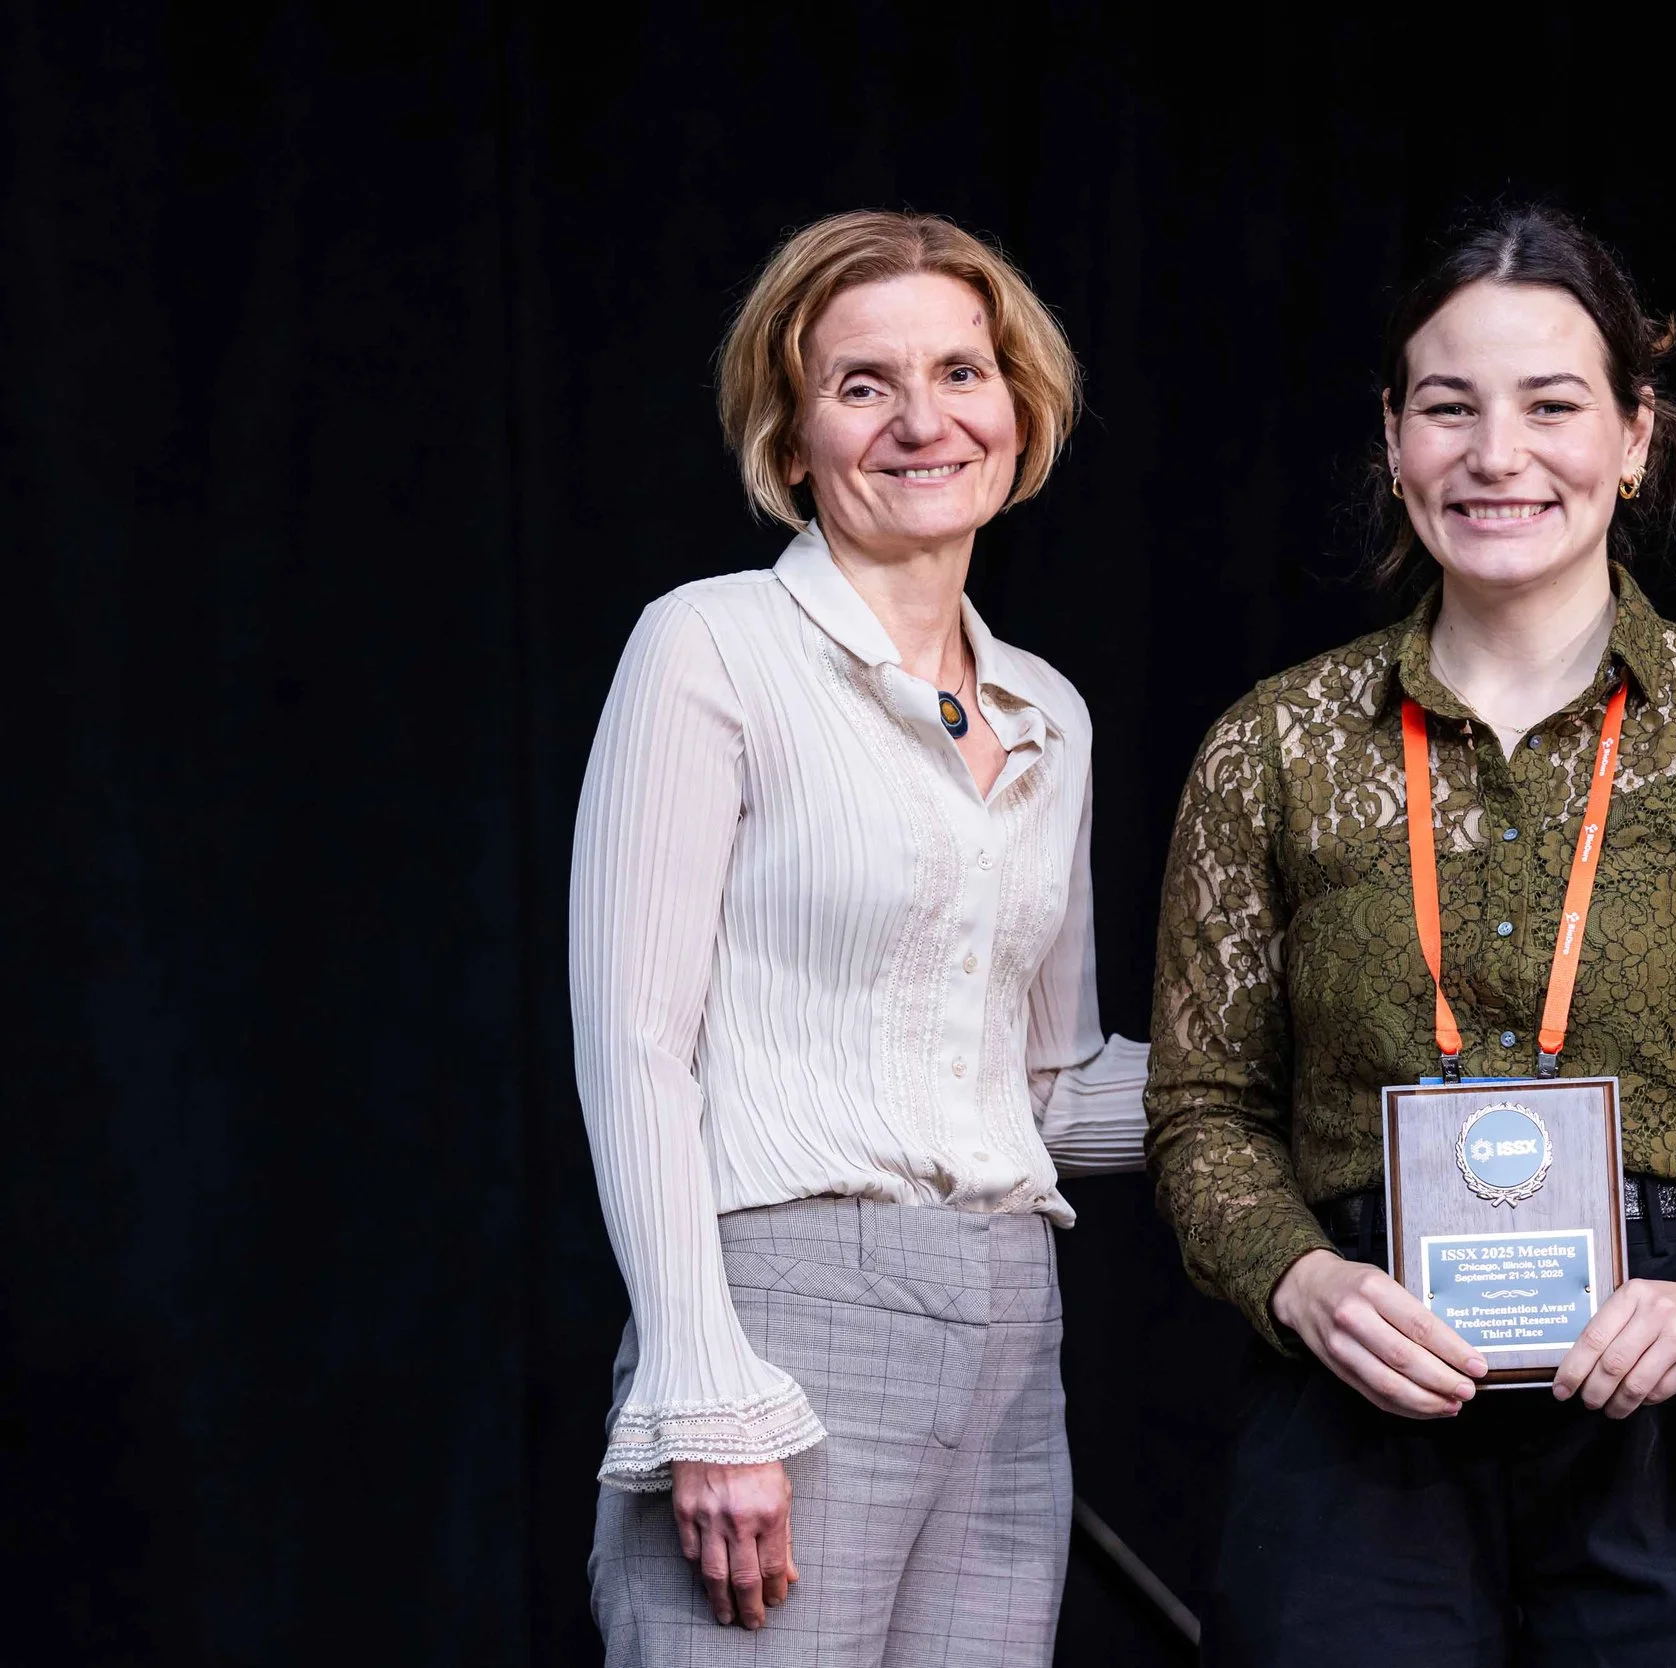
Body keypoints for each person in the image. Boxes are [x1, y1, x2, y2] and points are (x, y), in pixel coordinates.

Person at [1145, 204, 1676, 1665]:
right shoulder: (1273, 748)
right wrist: (1302, 1283)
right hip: (1360, 1392)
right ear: (1392, 439)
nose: (1499, 455)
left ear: (1633, 437)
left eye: (1553, 405)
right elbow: (1202, 1115)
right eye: (1451, 408)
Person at [571, 210, 1145, 1664]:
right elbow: (637, 1050)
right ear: (791, 432)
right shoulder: (710, 647)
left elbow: (1049, 1083)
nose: (923, 420)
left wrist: (1351, 1084)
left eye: (962, 370)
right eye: (864, 383)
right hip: (784, 1319)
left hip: (1014, 1333)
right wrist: (708, 1397)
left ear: (1020, 408)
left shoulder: (1048, 713)